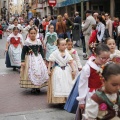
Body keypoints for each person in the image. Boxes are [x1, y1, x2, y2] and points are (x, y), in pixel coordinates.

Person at [75, 44, 110, 120]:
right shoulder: (88, 68)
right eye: (103, 58)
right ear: (96, 55)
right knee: (92, 114)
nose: (106, 60)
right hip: (91, 95)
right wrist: (81, 100)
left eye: (108, 58)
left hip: (104, 94)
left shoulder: (107, 66)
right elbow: (82, 85)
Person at [47, 38, 76, 104]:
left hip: (66, 70)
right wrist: (49, 70)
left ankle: (66, 99)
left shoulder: (67, 53)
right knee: (59, 84)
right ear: (58, 46)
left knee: (66, 84)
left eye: (65, 44)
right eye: (62, 45)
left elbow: (70, 62)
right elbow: (51, 62)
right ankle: (59, 100)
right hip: (58, 70)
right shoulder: (55, 53)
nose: (64, 46)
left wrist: (74, 70)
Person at [20, 27, 49, 93]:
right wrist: (22, 61)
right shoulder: (27, 42)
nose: (33, 35)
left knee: (40, 70)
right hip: (29, 59)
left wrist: (44, 59)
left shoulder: (38, 41)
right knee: (31, 71)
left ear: (36, 34)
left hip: (38, 58)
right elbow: (23, 52)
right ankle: (32, 86)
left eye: (34, 33)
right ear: (29, 34)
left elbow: (41, 50)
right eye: (31, 33)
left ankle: (38, 86)